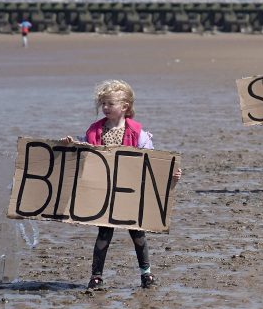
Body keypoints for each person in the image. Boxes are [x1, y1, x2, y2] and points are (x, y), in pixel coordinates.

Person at [66, 80, 181, 291]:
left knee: (137, 233)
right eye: (103, 104)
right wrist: (72, 144)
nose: (105, 108)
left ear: (125, 107)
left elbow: (152, 159)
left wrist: (169, 174)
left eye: (110, 103)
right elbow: (84, 151)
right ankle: (96, 276)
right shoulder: (96, 131)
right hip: (105, 192)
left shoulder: (138, 134)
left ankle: (146, 273)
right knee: (104, 234)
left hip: (130, 192)